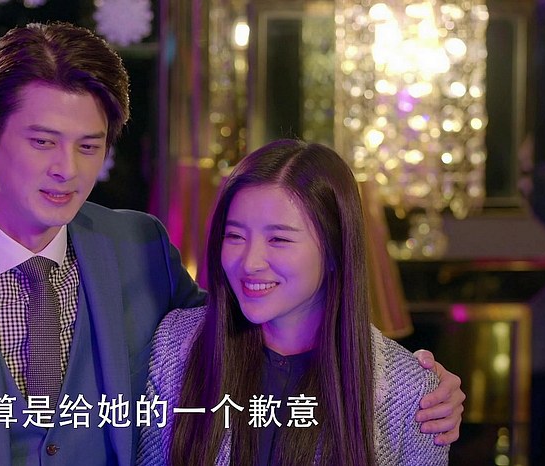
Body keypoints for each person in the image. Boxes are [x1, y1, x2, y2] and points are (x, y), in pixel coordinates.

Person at [0, 22, 461, 465]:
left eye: (89, 146)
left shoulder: (139, 247)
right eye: (42, 141)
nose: (66, 170)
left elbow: (249, 324)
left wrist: (410, 383)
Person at [138, 139, 452, 466]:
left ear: (334, 249)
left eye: (279, 239)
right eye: (235, 236)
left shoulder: (411, 391)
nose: (250, 262)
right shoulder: (176, 344)